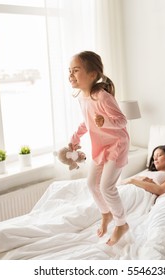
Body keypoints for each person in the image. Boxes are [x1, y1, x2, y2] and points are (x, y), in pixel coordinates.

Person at [68, 51, 130, 246]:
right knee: (91, 184)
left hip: (117, 144)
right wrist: (75, 138)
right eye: (69, 71)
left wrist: (106, 121)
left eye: (76, 70)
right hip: (100, 146)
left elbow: (122, 121)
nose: (70, 75)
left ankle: (121, 224)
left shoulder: (102, 97)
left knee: (106, 187)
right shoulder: (82, 98)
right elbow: (88, 122)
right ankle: (106, 214)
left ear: (93, 74)